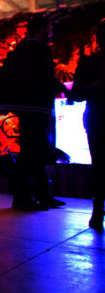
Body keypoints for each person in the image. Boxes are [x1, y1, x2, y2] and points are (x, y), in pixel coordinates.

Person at [3, 16, 67, 211]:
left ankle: (39, 194)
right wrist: (67, 90)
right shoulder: (40, 50)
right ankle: (25, 197)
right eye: (48, 29)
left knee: (31, 150)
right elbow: (46, 77)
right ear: (41, 30)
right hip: (38, 107)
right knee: (33, 151)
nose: (50, 33)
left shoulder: (20, 50)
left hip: (25, 107)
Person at [71, 22, 105, 231]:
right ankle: (97, 211)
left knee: (99, 165)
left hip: (96, 118)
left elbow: (76, 94)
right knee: (99, 165)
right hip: (97, 119)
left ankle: (97, 212)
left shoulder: (89, 63)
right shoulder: (89, 63)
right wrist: (97, 86)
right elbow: (76, 94)